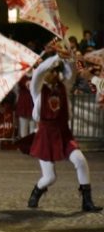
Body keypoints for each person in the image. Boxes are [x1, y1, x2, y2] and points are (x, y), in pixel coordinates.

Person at [26, 48, 102, 212]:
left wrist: (68, 58)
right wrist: (55, 57)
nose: (52, 73)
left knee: (80, 160)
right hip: (45, 135)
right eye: (50, 70)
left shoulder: (64, 86)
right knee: (50, 177)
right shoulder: (37, 89)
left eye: (54, 71)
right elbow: (39, 71)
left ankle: (86, 201)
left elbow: (71, 72)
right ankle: (37, 191)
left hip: (63, 133)